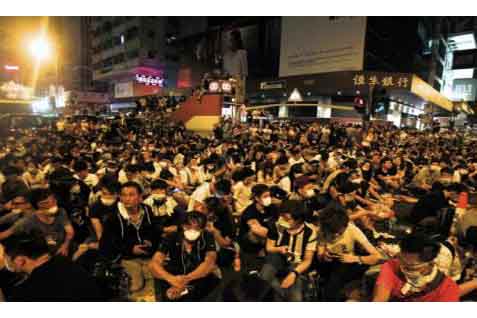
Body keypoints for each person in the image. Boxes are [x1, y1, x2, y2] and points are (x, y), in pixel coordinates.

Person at [99, 181, 160, 301]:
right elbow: (108, 243)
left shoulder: (146, 210)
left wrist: (150, 241)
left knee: (153, 279)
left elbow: (154, 231)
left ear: (140, 197)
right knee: (136, 285)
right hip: (125, 256)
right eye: (124, 195)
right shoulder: (113, 217)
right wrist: (130, 248)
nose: (127, 199)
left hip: (146, 254)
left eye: (131, 195)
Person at [1, 233, 103, 301]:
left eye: (5, 257)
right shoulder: (65, 262)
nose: (4, 261)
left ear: (20, 260)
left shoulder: (25, 293)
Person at [316, 204, 381, 301]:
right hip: (329, 263)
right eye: (333, 233)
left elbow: (377, 256)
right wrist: (323, 255)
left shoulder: (352, 230)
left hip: (347, 263)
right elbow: (320, 252)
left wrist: (355, 258)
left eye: (339, 232)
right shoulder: (323, 230)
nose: (336, 235)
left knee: (333, 286)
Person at [149, 212, 219, 301]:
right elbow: (154, 263)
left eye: (197, 228)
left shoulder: (207, 237)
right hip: (175, 275)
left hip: (198, 275)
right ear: (183, 225)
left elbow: (210, 261)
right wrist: (171, 279)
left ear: (202, 229)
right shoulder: (171, 237)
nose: (192, 231)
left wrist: (187, 279)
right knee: (168, 294)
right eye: (188, 227)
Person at [373, 233, 460, 302]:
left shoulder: (448, 289)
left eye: (410, 266)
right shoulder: (392, 266)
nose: (403, 266)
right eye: (400, 259)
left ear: (430, 263)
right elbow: (379, 299)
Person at [260, 200, 317, 301]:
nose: (282, 220)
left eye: (287, 219)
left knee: (295, 297)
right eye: (282, 216)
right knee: (263, 279)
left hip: (297, 264)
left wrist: (294, 273)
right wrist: (279, 249)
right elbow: (269, 248)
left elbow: (308, 260)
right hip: (277, 258)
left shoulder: (310, 232)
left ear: (299, 219)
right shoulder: (276, 226)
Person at [0, 188, 75, 257]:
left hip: (64, 248)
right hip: (46, 255)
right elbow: (6, 234)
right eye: (45, 203)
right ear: (36, 206)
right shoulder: (28, 220)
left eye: (54, 201)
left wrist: (65, 246)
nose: (52, 205)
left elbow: (70, 232)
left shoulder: (61, 212)